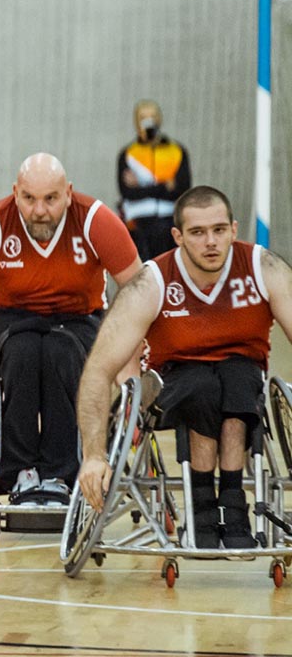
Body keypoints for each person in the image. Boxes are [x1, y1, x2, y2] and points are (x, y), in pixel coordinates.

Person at [77, 186, 292, 549]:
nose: (211, 242)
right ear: (177, 236)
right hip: (175, 380)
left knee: (238, 377)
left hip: (242, 377)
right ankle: (204, 504)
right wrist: (94, 455)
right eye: (197, 232)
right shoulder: (153, 280)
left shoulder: (262, 267)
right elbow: (98, 369)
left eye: (219, 230)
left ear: (234, 229)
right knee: (202, 384)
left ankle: (234, 502)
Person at [0, 153, 141, 504]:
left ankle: (60, 471)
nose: (39, 210)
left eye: (51, 199)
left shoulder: (95, 221)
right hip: (11, 318)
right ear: (15, 193)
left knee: (62, 350)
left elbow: (139, 291)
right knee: (24, 352)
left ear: (68, 193)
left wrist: (130, 365)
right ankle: (19, 471)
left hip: (77, 319)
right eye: (29, 198)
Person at [117, 99, 192, 260]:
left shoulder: (177, 151)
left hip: (169, 219)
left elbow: (182, 189)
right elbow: (128, 193)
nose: (148, 121)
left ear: (159, 119)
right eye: (143, 117)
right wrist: (165, 186)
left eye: (152, 116)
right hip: (138, 222)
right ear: (136, 122)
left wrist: (142, 186)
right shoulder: (128, 154)